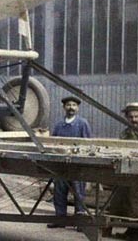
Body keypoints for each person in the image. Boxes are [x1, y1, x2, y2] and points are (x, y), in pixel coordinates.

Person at [107, 102, 138, 239]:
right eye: (131, 117)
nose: (134, 119)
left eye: (136, 116)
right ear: (126, 117)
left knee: (137, 203)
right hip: (126, 173)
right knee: (125, 202)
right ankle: (129, 230)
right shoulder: (124, 133)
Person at [47, 96, 92, 229]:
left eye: (73, 105)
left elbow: (88, 145)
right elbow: (53, 144)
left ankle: (80, 222)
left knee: (78, 193)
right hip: (61, 166)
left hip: (77, 166)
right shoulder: (59, 125)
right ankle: (60, 219)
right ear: (64, 107)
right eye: (68, 105)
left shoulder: (82, 124)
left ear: (77, 108)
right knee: (59, 192)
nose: (71, 107)